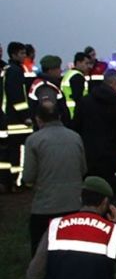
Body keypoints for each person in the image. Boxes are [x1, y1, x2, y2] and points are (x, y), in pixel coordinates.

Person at [25, 176, 116, 279]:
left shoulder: (56, 226)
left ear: (80, 199)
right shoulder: (112, 231)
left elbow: (34, 274)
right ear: (105, 203)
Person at [23, 100, 86, 256]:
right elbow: (83, 168)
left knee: (41, 251)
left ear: (38, 119)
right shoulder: (75, 137)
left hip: (45, 206)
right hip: (73, 204)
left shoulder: (34, 140)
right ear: (60, 116)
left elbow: (28, 176)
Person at [73, 69, 116, 196]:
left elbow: (76, 126)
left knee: (91, 186)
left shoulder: (85, 101)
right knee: (109, 187)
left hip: (89, 152)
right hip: (112, 155)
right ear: (115, 83)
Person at [1, 42, 33, 192]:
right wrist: (25, 116)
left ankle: (7, 181)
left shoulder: (7, 70)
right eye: (21, 53)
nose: (24, 56)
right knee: (19, 153)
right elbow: (17, 96)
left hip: (8, 119)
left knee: (8, 153)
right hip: (17, 122)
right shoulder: (15, 71)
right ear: (13, 55)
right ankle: (18, 182)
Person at [27, 55, 71, 127]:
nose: (60, 70)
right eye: (58, 68)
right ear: (50, 70)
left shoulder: (42, 83)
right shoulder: (46, 88)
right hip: (52, 131)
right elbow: (49, 113)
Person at [60, 51, 91, 119]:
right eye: (86, 63)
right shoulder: (78, 77)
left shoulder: (69, 74)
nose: (88, 66)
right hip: (74, 113)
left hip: (66, 112)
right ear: (78, 63)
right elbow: (78, 98)